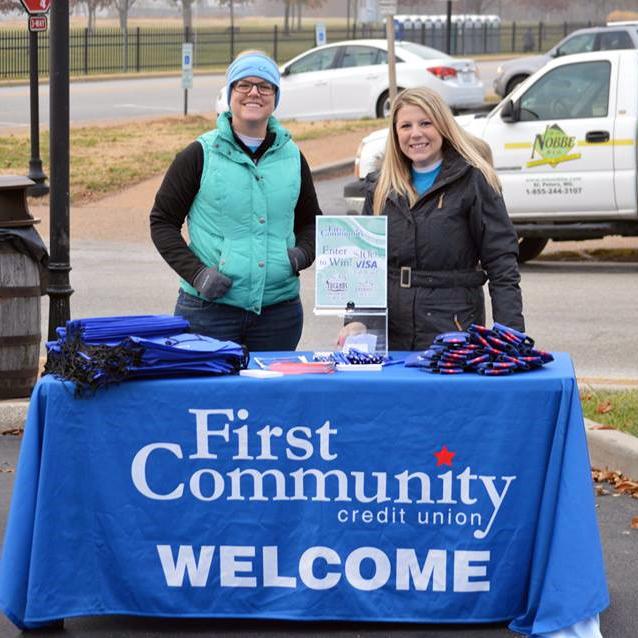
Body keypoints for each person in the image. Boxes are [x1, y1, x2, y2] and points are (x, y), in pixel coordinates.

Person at [150, 50, 321, 351]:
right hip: (208, 313)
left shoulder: (293, 157)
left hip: (278, 315)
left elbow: (312, 222)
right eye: (243, 85)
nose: (253, 93)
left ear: (274, 96)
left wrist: (300, 256)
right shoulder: (199, 154)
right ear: (230, 93)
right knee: (209, 398)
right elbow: (162, 222)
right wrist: (198, 274)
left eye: (264, 86)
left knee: (269, 399)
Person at [339, 87, 524, 351]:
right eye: (406, 126)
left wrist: (510, 335)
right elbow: (366, 266)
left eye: (426, 123)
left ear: (443, 126)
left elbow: (501, 263)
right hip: (391, 334)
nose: (416, 133)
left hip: (453, 328)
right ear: (395, 134)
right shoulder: (379, 187)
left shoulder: (474, 181)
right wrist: (357, 320)